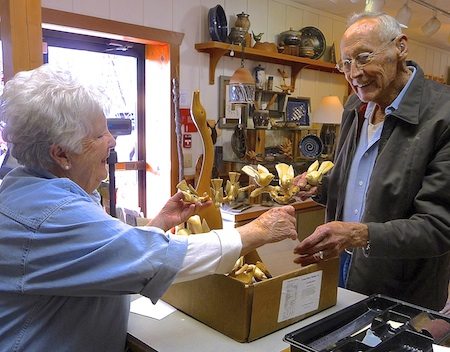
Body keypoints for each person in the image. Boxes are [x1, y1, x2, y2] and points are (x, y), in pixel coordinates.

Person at [0, 64, 298, 352]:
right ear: (61, 154)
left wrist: (159, 223)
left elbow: (105, 258)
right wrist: (255, 232)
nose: (112, 140)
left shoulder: (35, 189)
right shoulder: (50, 214)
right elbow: (155, 259)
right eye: (99, 135)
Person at [293, 12, 450, 311]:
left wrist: (357, 234)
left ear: (400, 47)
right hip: (344, 266)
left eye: (364, 57)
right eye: (346, 63)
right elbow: (361, 180)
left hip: (402, 289)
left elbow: (439, 227)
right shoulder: (356, 105)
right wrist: (321, 188)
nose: (354, 73)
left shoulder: (443, 115)